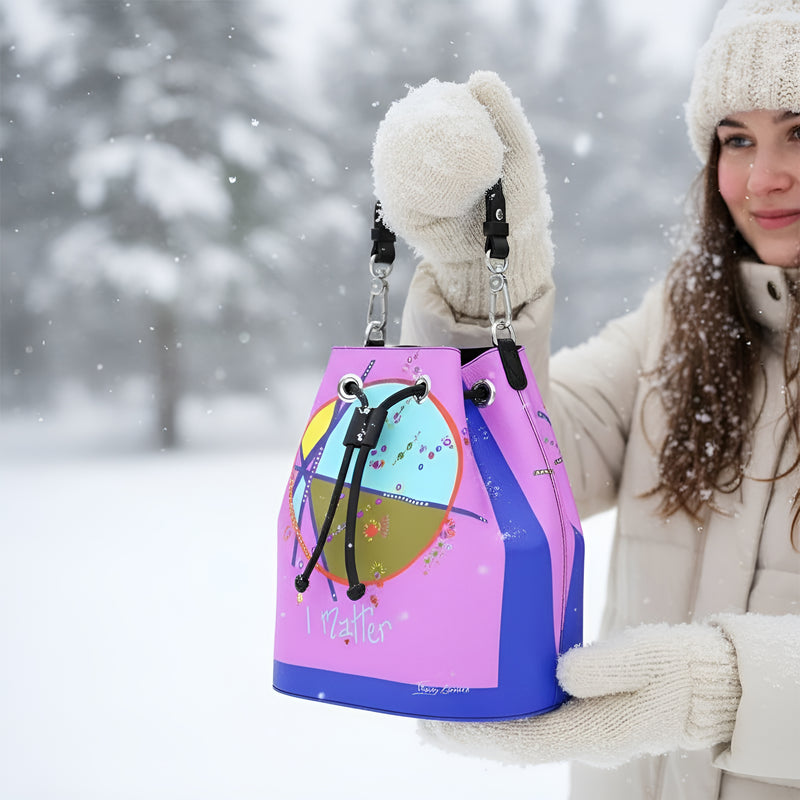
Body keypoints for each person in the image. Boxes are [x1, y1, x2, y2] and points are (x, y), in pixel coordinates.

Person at [371, 0, 800, 798]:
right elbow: (521, 458)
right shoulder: (679, 327)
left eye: (797, 132)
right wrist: (480, 283)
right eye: (736, 139)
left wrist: (725, 689)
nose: (762, 177)